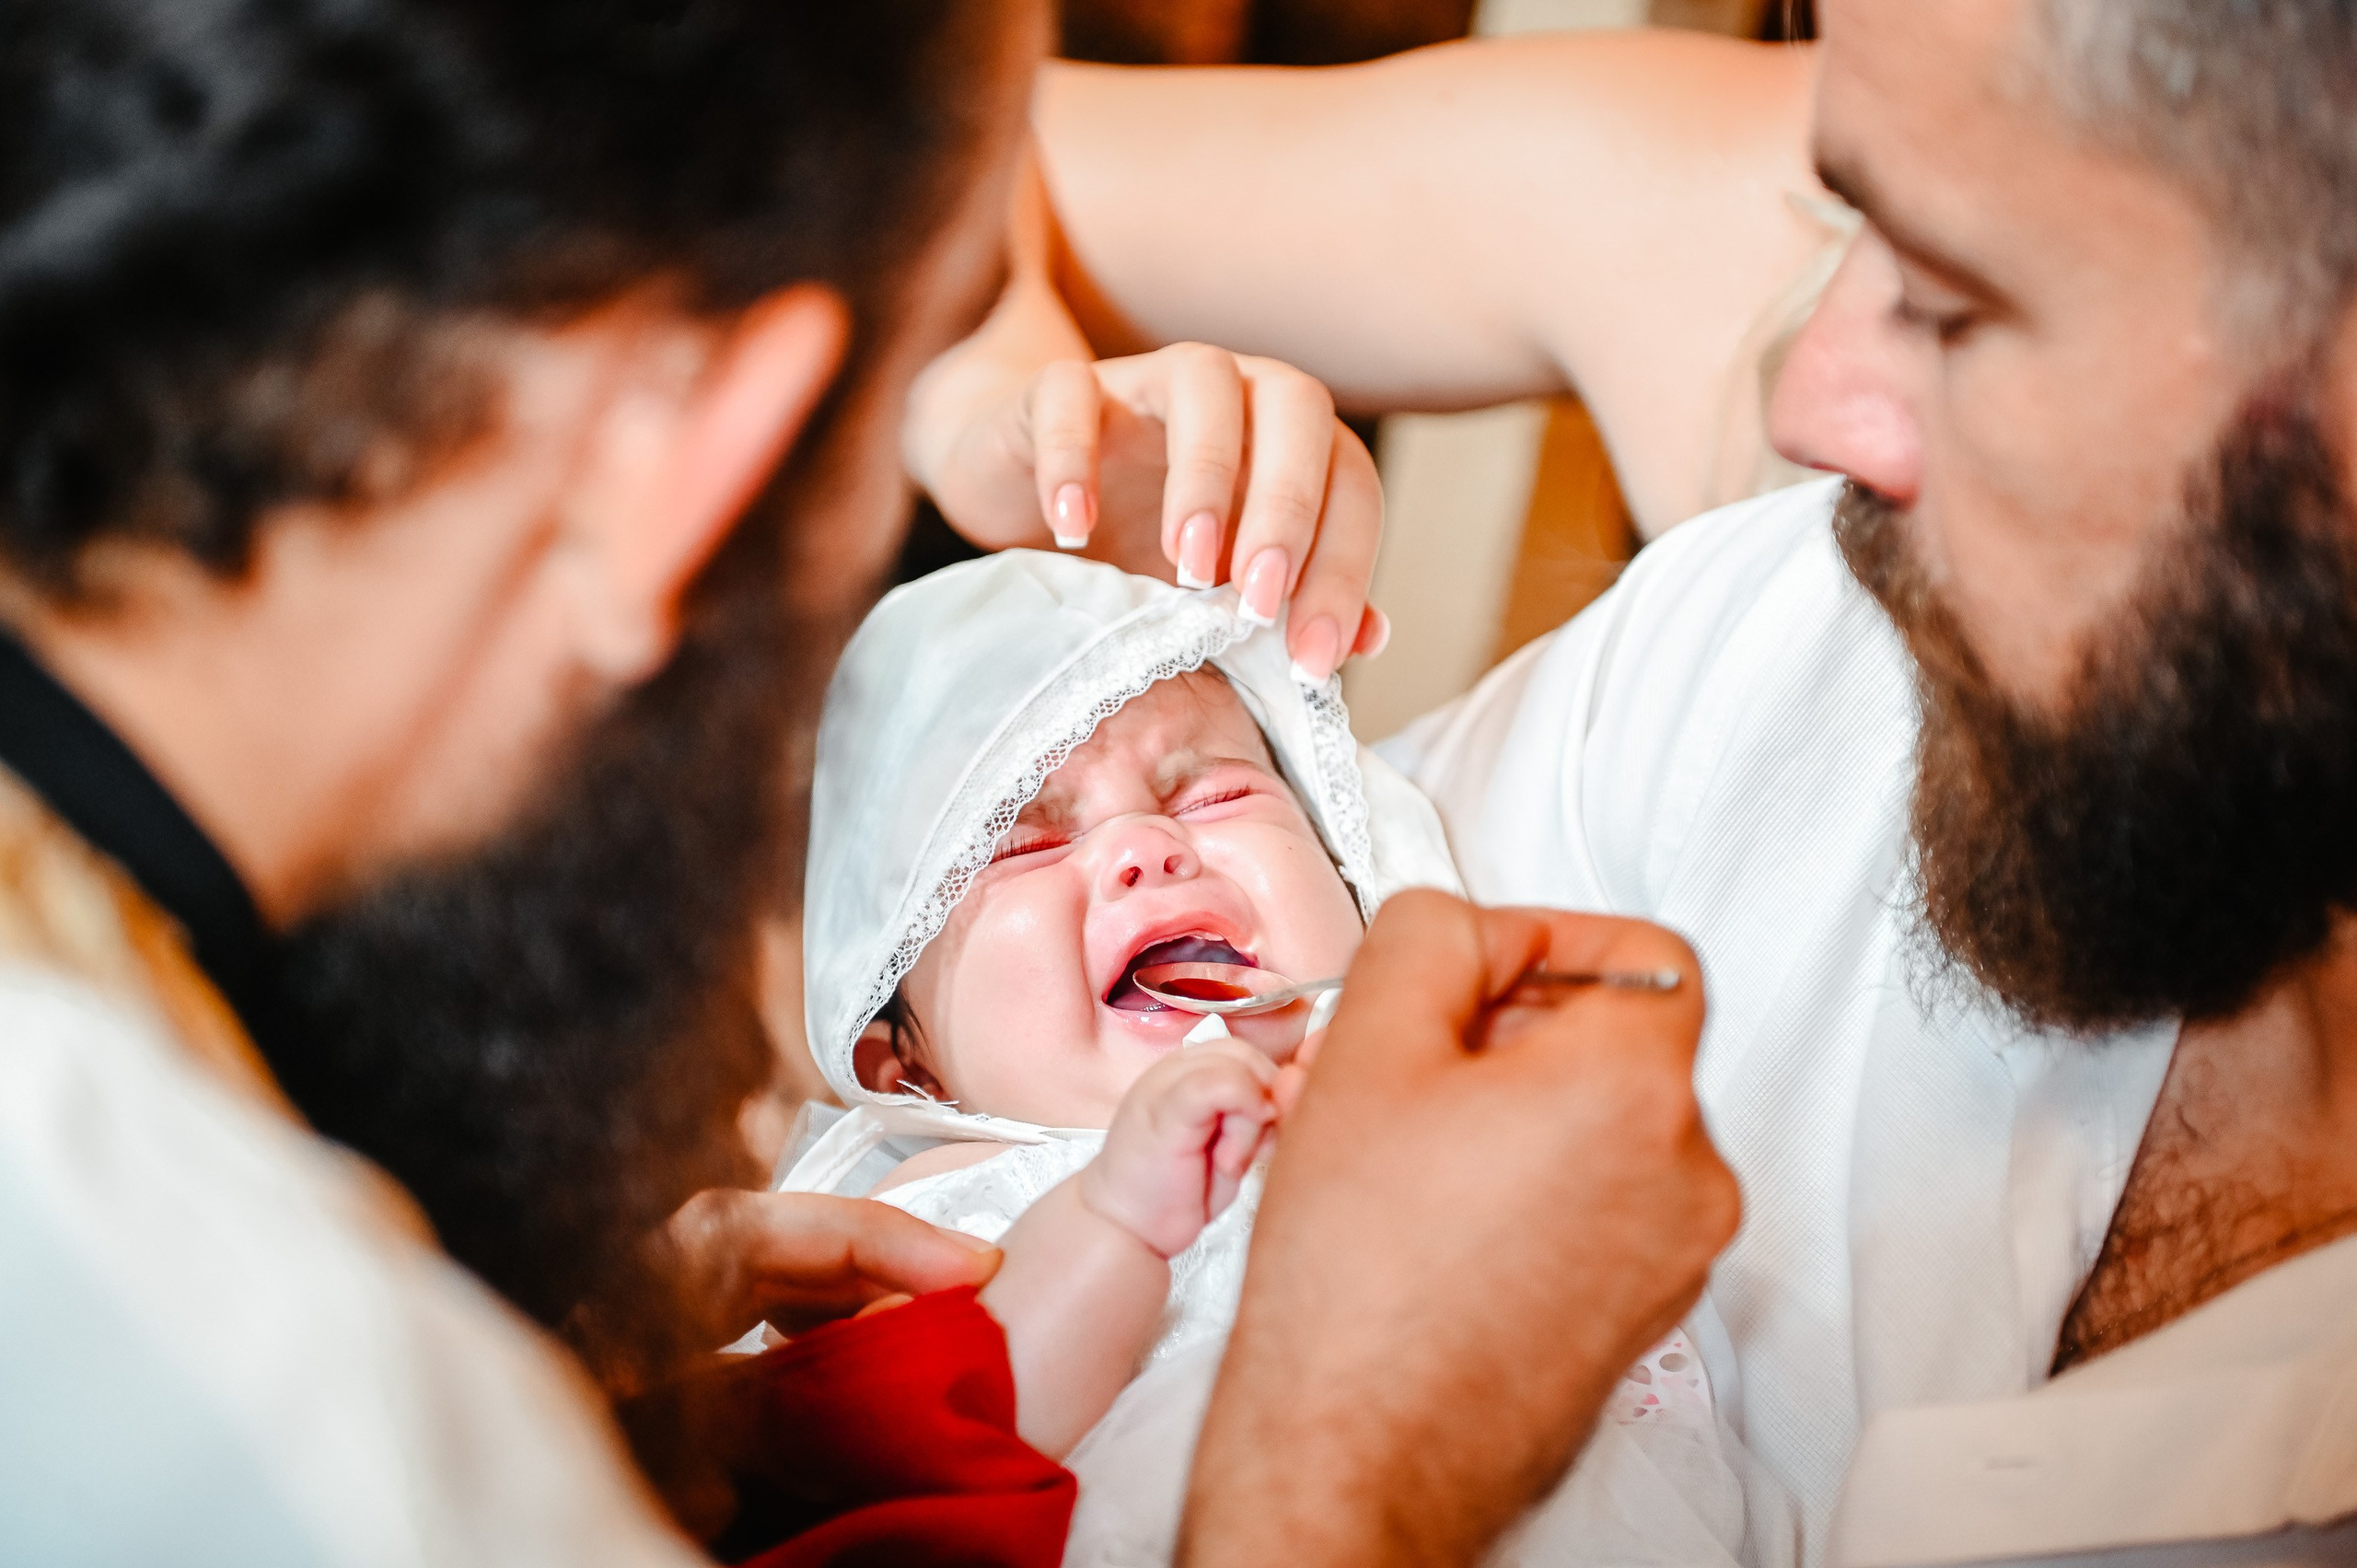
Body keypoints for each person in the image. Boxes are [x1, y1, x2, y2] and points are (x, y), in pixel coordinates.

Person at [0, 0, 1736, 1562]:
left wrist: (656, 1402)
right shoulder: (289, 1418)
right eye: (911, 422)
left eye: (1208, 792)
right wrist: (1353, 1476)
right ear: (680, 465)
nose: (1131, 844)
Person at [909, 2, 2357, 1562]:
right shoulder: (1985, 127)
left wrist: (1339, 1483)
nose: (1800, 406)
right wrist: (1019, 435)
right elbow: (903, 158)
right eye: (1843, 216)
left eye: (1949, 298)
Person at [784, 547, 1754, 1566]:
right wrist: (1117, 1218)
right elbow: (961, 1420)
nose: (1143, 845)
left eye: (1212, 794)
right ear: (908, 1067)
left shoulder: (1427, 1071)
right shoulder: (931, 1210)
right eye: (1023, 843)